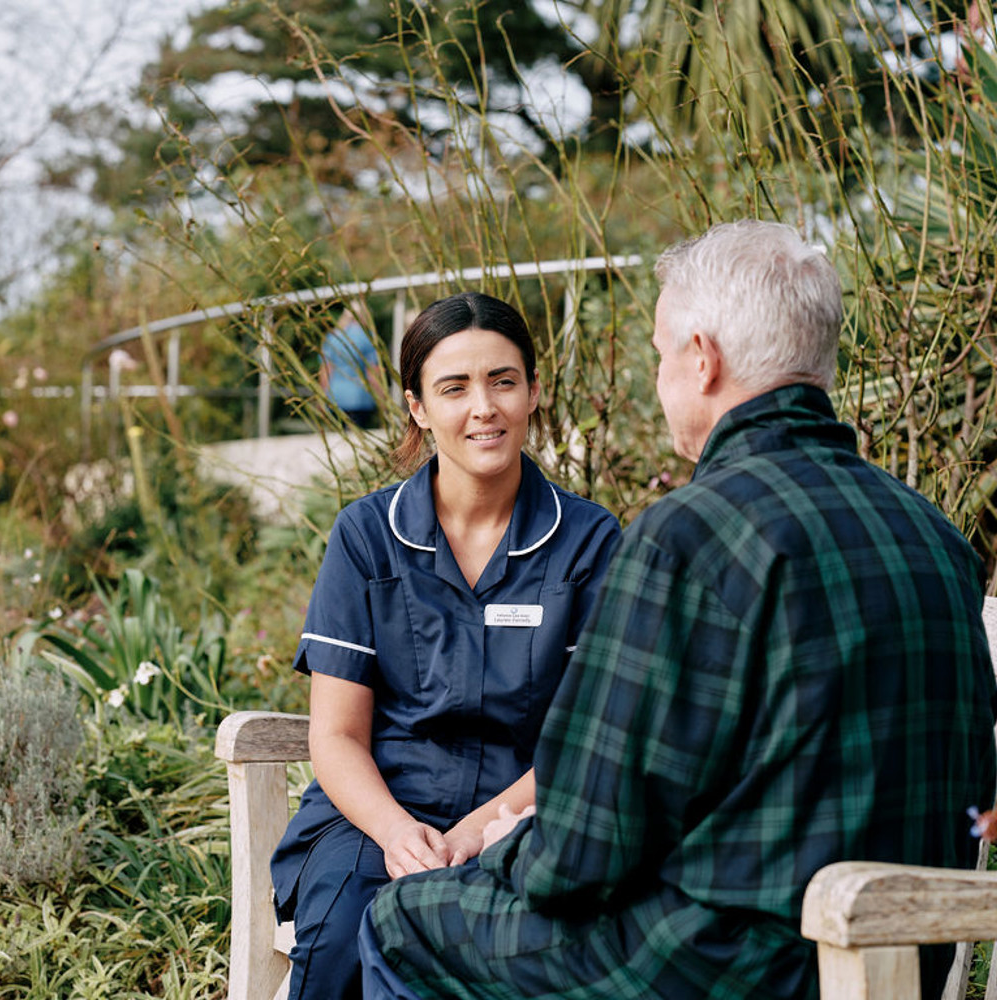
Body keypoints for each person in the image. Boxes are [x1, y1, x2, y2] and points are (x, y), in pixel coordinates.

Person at [362, 221, 997, 1000]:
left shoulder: (690, 535)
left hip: (725, 965)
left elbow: (581, 856)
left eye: (662, 354)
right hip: (900, 956)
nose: (660, 375)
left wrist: (504, 846)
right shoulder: (933, 534)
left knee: (400, 919)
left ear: (703, 359)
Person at [270, 291, 621, 1000]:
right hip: (374, 816)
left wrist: (474, 833)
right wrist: (401, 836)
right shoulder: (366, 535)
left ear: (533, 393)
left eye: (503, 381)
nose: (483, 408)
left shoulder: (590, 543)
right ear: (418, 408)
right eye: (454, 388)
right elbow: (335, 735)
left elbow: (588, 740)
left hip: (526, 822)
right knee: (343, 937)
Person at [319, 306, 382, 428]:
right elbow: (372, 372)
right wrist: (381, 398)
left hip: (335, 397)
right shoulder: (368, 337)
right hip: (360, 397)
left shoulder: (332, 337)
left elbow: (326, 371)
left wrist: (322, 396)